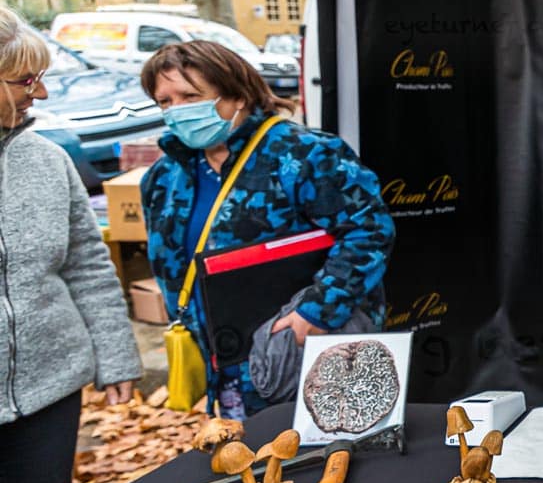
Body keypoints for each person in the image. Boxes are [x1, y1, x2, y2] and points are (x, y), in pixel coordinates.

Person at [140, 41, 395, 419]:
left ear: (238, 96)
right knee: (253, 455)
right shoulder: (163, 178)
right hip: (228, 368)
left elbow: (369, 231)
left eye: (190, 96)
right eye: (165, 101)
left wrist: (317, 313)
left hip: (309, 355)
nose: (177, 110)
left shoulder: (306, 154)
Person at [0, 6, 142, 483]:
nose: (40, 93)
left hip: (49, 391)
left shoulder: (48, 161)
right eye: (25, 80)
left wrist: (115, 354)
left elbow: (87, 265)